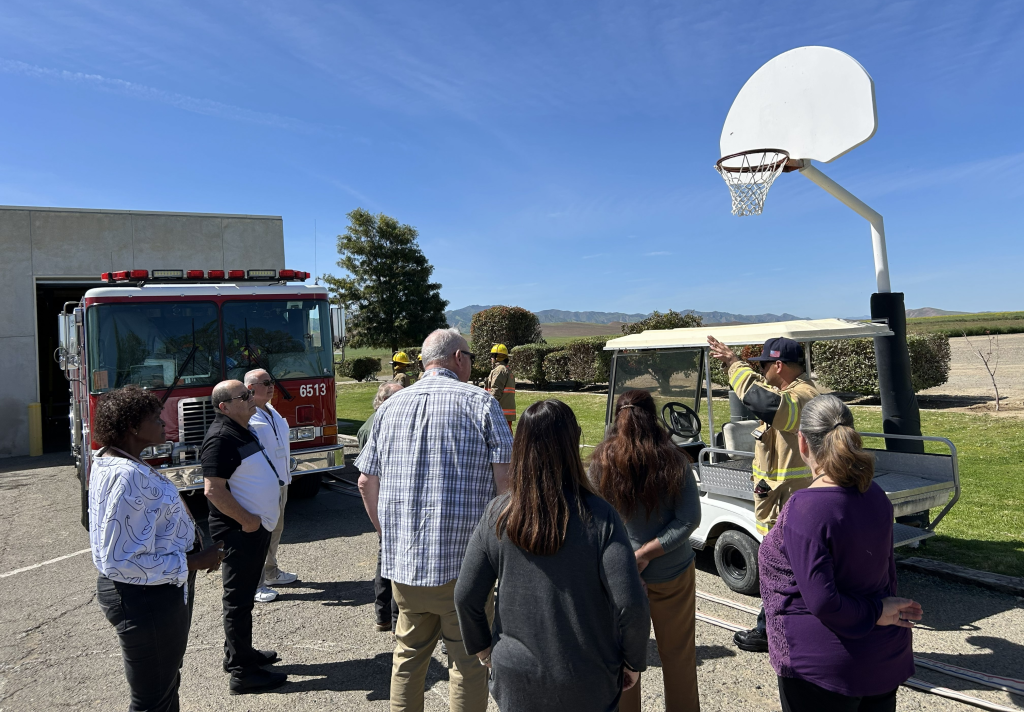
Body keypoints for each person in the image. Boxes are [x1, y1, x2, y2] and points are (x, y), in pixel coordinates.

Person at [455, 399, 650, 712]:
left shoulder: (497, 515)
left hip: (516, 679)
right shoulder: (601, 517)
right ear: (572, 443)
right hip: (588, 680)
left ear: (520, 446)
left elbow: (465, 596)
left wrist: (483, 649)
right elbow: (631, 602)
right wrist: (632, 660)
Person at [356, 327, 513, 712]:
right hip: (467, 566)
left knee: (408, 658)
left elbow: (364, 482)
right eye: (471, 358)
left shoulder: (389, 407)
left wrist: (386, 531)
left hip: (405, 565)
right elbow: (506, 481)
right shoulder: (480, 403)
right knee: (470, 664)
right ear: (459, 358)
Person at [760, 395, 922, 711]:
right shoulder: (875, 493)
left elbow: (823, 601)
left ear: (803, 443)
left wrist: (875, 612)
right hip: (883, 657)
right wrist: (879, 611)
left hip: (823, 668)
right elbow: (885, 572)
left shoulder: (804, 509)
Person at [89, 384, 224, 712]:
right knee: (152, 700)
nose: (164, 421)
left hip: (154, 592)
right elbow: (118, 560)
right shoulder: (126, 476)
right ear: (133, 427)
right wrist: (195, 561)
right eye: (155, 417)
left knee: (164, 684)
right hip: (144, 599)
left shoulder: (117, 460)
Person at [589, 389, 702, 712]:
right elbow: (689, 519)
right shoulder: (675, 460)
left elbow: (592, 522)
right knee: (679, 657)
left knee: (622, 662)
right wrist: (648, 553)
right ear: (653, 418)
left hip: (617, 578)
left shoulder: (600, 462)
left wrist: (628, 559)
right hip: (673, 574)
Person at [707, 334, 820, 653]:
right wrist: (739, 365)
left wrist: (733, 365)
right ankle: (784, 628)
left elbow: (765, 401)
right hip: (783, 500)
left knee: (783, 572)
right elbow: (766, 389)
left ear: (779, 366)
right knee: (788, 571)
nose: (762, 371)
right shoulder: (792, 389)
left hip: (793, 504)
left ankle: (770, 631)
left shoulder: (802, 397)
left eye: (765, 365)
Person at [202, 379, 288, 695]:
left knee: (245, 597)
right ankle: (243, 673)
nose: (252, 398)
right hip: (241, 533)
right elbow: (213, 489)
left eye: (250, 393)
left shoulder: (242, 428)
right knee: (238, 602)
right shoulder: (221, 437)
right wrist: (249, 522)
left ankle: (239, 654)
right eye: (244, 395)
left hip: (255, 530)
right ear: (225, 406)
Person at [245, 369, 299, 604]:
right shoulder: (248, 414)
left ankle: (272, 572)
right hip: (262, 485)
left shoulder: (271, 410)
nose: (271, 386)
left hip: (281, 481)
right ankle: (255, 584)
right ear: (250, 388)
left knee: (276, 529)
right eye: (265, 383)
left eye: (271, 382)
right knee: (260, 534)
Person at [356, 380, 405, 632]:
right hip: (391, 501)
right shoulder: (385, 424)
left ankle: (382, 616)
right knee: (394, 564)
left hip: (381, 501)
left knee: (384, 560)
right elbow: (367, 478)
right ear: (383, 401)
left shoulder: (367, 425)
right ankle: (394, 619)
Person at [483, 344, 516, 431]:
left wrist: (487, 406)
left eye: (492, 355)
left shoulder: (500, 370)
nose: (491, 358)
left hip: (500, 413)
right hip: (505, 413)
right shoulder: (506, 369)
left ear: (498, 357)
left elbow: (495, 391)